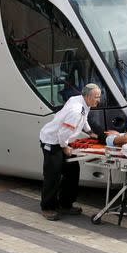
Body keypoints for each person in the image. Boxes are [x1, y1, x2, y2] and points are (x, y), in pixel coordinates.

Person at [39, 83, 101, 220]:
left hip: (63, 140)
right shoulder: (76, 110)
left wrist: (90, 132)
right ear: (87, 96)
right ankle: (47, 207)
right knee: (53, 175)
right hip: (53, 142)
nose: (99, 100)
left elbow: (84, 119)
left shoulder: (82, 101)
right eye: (97, 97)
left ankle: (65, 204)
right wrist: (65, 147)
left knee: (72, 171)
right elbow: (63, 132)